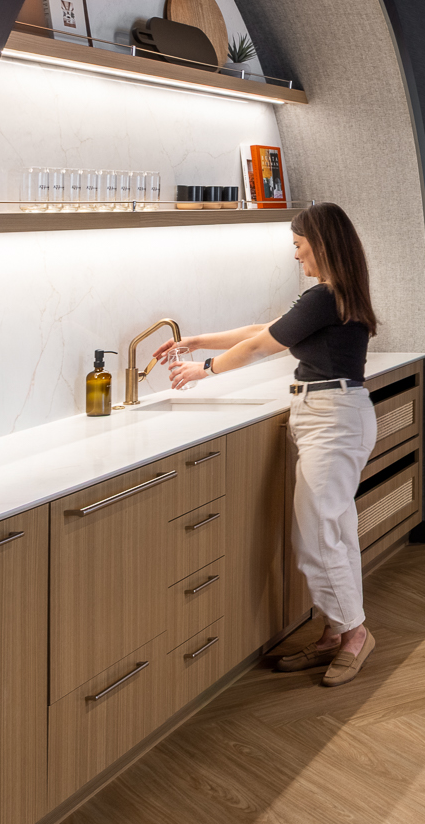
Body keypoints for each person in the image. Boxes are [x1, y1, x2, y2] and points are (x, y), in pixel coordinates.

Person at [155, 202, 382, 687]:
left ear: (321, 244)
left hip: (333, 418)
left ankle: (355, 633)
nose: (297, 256)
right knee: (334, 531)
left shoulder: (325, 296)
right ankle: (336, 631)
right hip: (331, 414)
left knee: (316, 535)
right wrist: (197, 341)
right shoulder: (331, 294)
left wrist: (204, 370)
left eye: (299, 246)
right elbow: (262, 331)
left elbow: (262, 346)